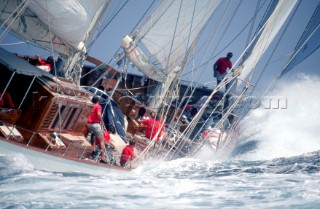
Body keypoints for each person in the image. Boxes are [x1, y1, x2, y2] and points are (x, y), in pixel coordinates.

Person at [87, 96, 107, 163]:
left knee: (93, 137)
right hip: (95, 124)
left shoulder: (90, 105)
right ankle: (103, 157)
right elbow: (98, 114)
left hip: (87, 123)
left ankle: (93, 150)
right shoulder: (98, 106)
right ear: (98, 101)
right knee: (101, 140)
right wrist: (101, 121)